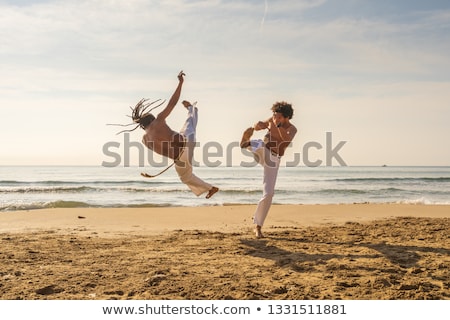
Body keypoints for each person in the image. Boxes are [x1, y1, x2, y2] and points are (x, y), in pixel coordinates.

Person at [119, 71, 218, 199]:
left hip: (179, 159)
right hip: (186, 144)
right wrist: (181, 83)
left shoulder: (144, 140)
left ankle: (210, 188)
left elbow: (162, 150)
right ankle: (191, 109)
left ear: (143, 125)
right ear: (152, 119)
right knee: (189, 125)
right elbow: (173, 103)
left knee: (186, 178)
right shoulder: (158, 121)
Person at [240, 101, 297, 238]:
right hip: (263, 151)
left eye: (278, 116)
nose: (275, 118)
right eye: (274, 115)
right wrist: (257, 125)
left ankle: (258, 227)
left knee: (269, 194)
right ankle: (245, 142)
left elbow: (286, 140)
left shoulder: (292, 129)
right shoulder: (271, 120)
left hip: (273, 160)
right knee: (258, 144)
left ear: (286, 118)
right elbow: (258, 126)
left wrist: (276, 126)